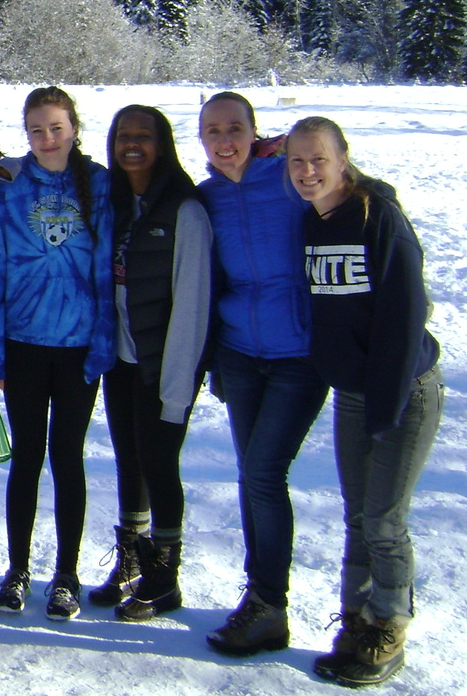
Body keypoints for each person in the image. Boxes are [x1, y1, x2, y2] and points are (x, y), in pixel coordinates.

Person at [287, 117, 442, 687]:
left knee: (383, 519)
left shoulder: (380, 219)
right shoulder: (313, 220)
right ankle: (356, 621)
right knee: (357, 515)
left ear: (343, 159)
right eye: (297, 161)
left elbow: (405, 317)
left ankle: (390, 625)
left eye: (319, 160)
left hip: (404, 390)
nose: (308, 171)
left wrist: (386, 404)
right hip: (353, 392)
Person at [198, 91, 324, 656]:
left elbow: (357, 194)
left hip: (299, 353)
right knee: (253, 475)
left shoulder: (290, 180)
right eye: (213, 131)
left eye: (235, 129)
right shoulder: (206, 198)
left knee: (264, 474)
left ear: (255, 132)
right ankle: (261, 597)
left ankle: (270, 603)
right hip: (240, 354)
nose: (225, 141)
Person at [0, 86, 114, 622]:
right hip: (24, 344)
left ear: (74, 128)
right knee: (26, 459)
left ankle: (67, 574)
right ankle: (17, 569)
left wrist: (103, 339)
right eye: (36, 130)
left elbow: (105, 270)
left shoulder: (99, 185)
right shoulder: (12, 187)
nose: (47, 138)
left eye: (56, 128)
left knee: (67, 458)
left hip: (79, 347)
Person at [93, 105, 212, 621]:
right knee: (130, 459)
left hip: (166, 363)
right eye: (123, 135)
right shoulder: (117, 203)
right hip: (122, 359)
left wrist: (177, 385)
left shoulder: (185, 211)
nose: (132, 144)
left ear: (162, 145)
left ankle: (165, 575)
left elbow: (193, 303)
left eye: (143, 136)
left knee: (160, 463)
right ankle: (132, 558)